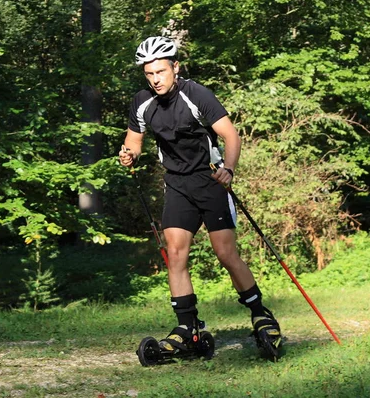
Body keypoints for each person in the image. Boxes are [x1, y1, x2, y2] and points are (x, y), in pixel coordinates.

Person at [118, 36, 281, 354]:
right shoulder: (142, 102)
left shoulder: (197, 95)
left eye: (161, 72)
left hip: (210, 181)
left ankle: (261, 314)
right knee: (175, 255)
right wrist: (128, 154)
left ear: (175, 68)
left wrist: (229, 170)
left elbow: (230, 135)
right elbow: (133, 141)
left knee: (225, 254)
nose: (155, 79)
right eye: (149, 73)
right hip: (177, 184)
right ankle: (186, 327)